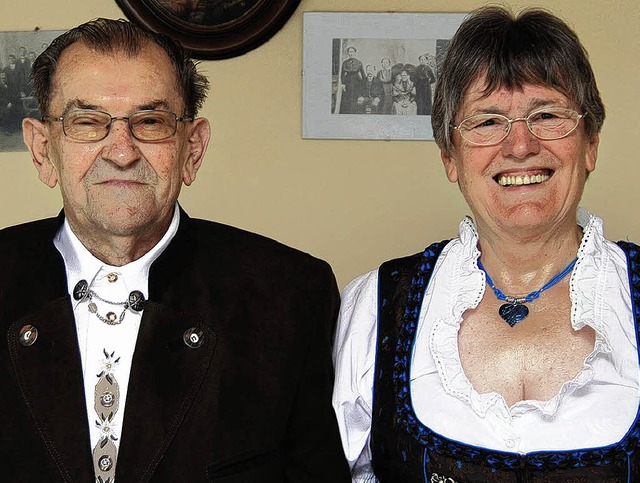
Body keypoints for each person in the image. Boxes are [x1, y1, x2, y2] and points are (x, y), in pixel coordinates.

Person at [1, 18, 350, 482]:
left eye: (151, 122)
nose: (121, 151)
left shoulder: (291, 294)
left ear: (193, 149)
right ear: (44, 149)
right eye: (87, 122)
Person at [333, 6, 640, 482]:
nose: (520, 145)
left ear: (591, 143)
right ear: (450, 157)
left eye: (547, 114)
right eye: (486, 121)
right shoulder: (375, 308)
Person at [339, 46, 365, 114]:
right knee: (348, 100)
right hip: (348, 82)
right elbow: (342, 74)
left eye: (352, 51)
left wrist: (363, 85)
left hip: (357, 82)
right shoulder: (345, 63)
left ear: (355, 53)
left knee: (355, 99)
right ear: (348, 53)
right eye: (349, 52)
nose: (351, 53)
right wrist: (343, 84)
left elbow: (363, 74)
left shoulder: (359, 62)